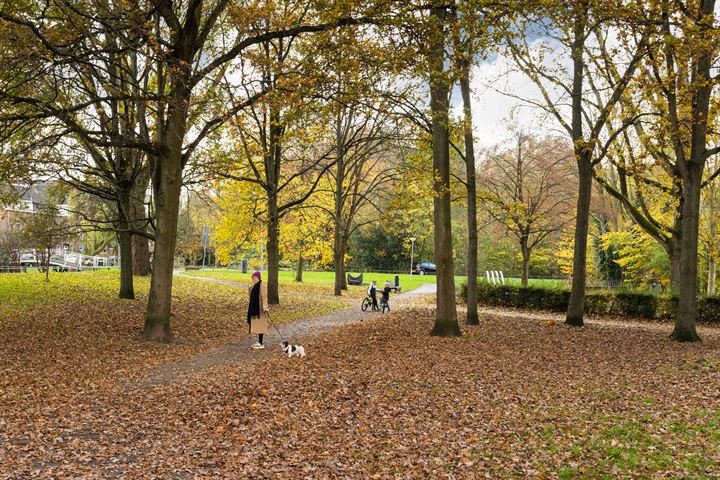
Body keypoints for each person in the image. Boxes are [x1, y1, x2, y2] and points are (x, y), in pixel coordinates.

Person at [247, 271, 269, 349]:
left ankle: (261, 343)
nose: (253, 279)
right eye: (252, 278)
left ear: (258, 278)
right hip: (255, 308)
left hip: (260, 309)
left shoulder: (262, 286)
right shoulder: (254, 286)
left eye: (255, 277)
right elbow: (251, 296)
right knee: (258, 326)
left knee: (261, 326)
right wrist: (249, 289)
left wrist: (265, 306)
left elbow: (264, 297)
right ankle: (259, 342)